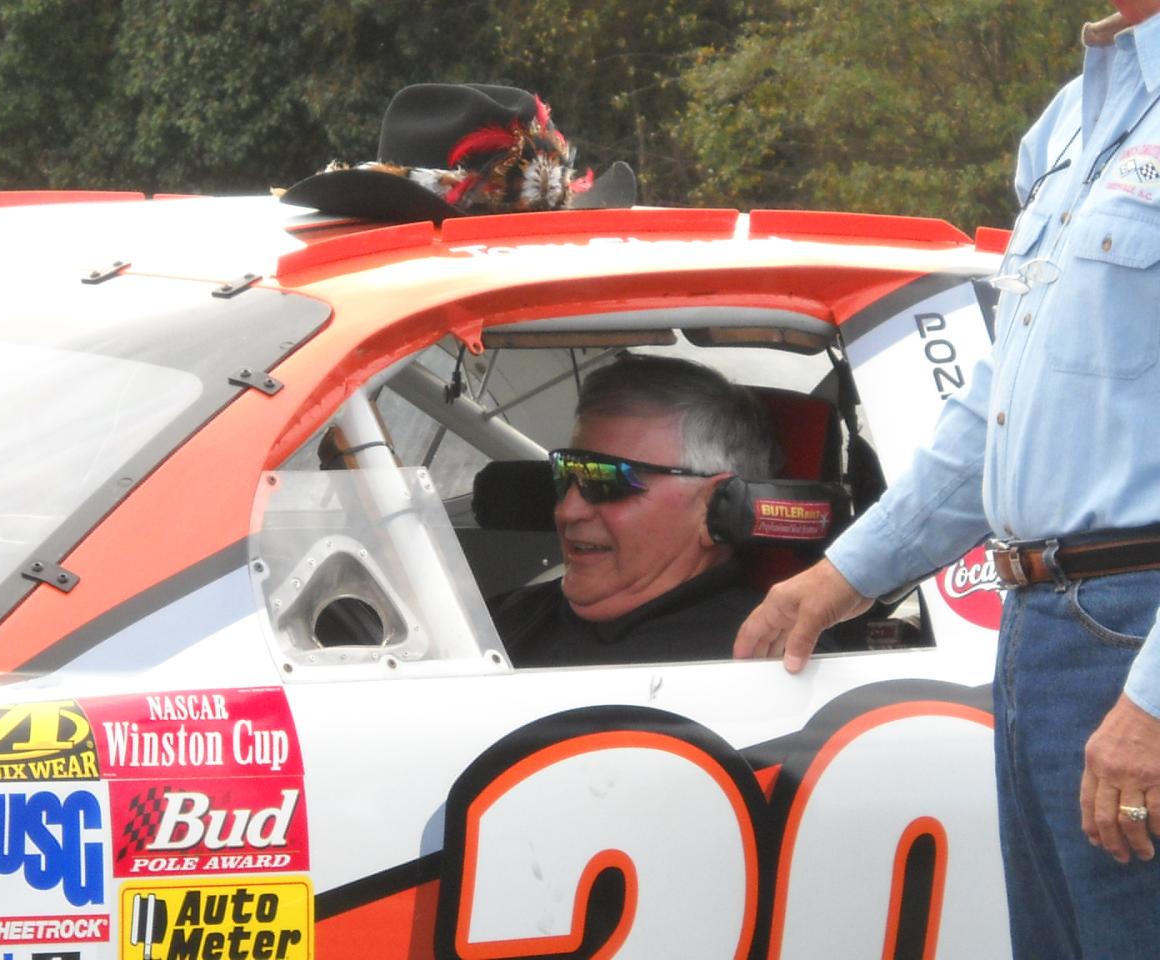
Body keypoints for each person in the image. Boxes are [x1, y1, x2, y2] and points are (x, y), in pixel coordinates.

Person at [734, 4, 1160, 956]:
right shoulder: (1073, 116)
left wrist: (1155, 703)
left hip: (1136, 633)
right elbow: (1002, 394)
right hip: (1043, 629)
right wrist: (846, 573)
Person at [494, 354, 778, 667]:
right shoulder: (504, 617)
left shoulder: (755, 660)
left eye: (606, 480)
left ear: (713, 505)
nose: (567, 511)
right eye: (565, 474)